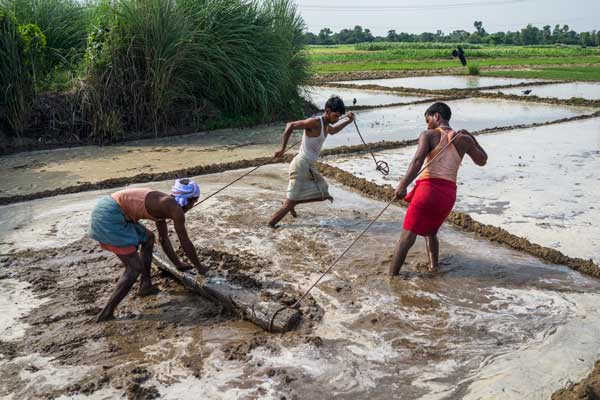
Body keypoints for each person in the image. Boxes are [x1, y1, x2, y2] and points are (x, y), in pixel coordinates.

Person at [390, 102, 488, 276]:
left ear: (436, 116)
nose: (427, 124)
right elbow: (482, 160)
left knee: (407, 236)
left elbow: (417, 161)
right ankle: (433, 267)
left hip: (429, 190)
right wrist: (472, 137)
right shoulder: (464, 140)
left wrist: (402, 185)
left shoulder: (428, 135)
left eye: (428, 120)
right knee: (431, 231)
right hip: (448, 195)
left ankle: (391, 277)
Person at [89, 178, 206, 321]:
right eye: (194, 202)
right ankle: (106, 313)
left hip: (111, 210)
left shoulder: (166, 203)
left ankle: (145, 285)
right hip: (108, 216)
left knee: (148, 238)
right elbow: (185, 241)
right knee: (134, 268)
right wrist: (200, 267)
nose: (193, 205)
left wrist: (178, 264)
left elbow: (163, 239)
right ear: (191, 199)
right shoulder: (175, 209)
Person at [268, 96, 355, 228]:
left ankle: (294, 203)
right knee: (288, 203)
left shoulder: (326, 126)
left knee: (323, 192)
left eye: (338, 116)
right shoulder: (315, 122)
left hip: (308, 166)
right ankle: (270, 225)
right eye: (335, 115)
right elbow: (290, 125)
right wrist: (282, 150)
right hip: (301, 165)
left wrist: (349, 121)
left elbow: (334, 130)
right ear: (327, 111)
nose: (336, 119)